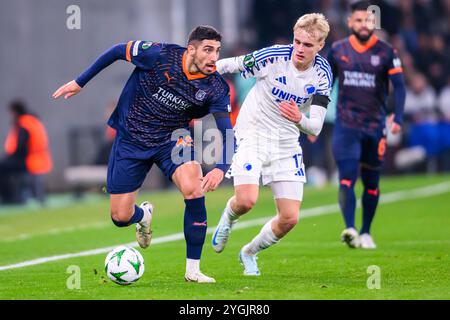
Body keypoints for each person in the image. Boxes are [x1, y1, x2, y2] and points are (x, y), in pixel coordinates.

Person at [52, 26, 234, 283]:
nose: (214, 57)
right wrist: (80, 82)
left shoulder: (215, 86)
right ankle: (143, 216)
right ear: (191, 49)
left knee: (194, 189)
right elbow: (117, 51)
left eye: (217, 51)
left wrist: (220, 168)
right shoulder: (158, 55)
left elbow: (227, 130)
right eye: (207, 50)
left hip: (173, 138)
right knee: (120, 217)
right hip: (131, 138)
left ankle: (193, 270)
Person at [211, 13, 332, 276]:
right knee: (246, 200)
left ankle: (249, 253)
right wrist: (201, 69)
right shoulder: (273, 57)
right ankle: (228, 219)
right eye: (297, 41)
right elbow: (231, 65)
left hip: (286, 143)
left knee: (289, 218)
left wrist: (299, 117)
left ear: (320, 45)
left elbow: (315, 127)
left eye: (308, 45)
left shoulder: (322, 75)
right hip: (253, 132)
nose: (300, 49)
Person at [327, 1, 406, 249]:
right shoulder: (338, 50)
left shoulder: (386, 52)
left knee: (372, 182)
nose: (363, 25)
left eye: (368, 20)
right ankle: (350, 228)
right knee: (347, 178)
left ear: (374, 22)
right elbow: (325, 84)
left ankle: (366, 231)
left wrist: (398, 117)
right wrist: (314, 119)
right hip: (346, 126)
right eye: (358, 20)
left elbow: (401, 86)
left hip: (375, 126)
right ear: (350, 22)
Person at [0, 100, 53, 204]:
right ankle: (16, 196)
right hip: (37, 158)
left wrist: (9, 156)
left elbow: (21, 145)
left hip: (27, 159)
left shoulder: (24, 123)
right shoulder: (32, 120)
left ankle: (9, 198)